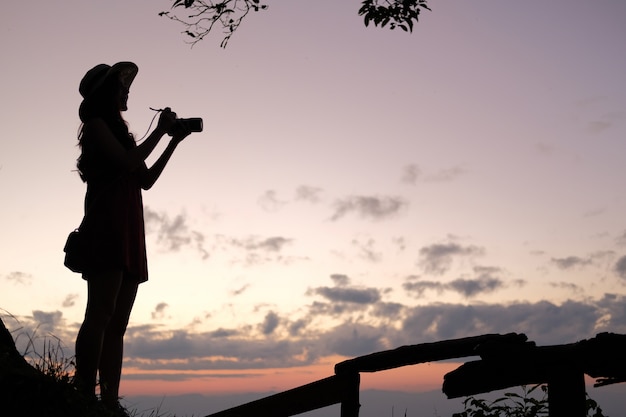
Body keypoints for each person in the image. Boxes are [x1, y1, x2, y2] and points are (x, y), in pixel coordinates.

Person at [73, 61, 193, 415]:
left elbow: (146, 179)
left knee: (118, 323)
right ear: (108, 94)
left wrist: (174, 141)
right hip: (108, 225)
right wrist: (158, 132)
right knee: (101, 313)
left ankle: (109, 400)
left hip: (128, 227)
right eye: (122, 87)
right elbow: (128, 164)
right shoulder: (95, 126)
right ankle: (83, 392)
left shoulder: (121, 135)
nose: (127, 92)